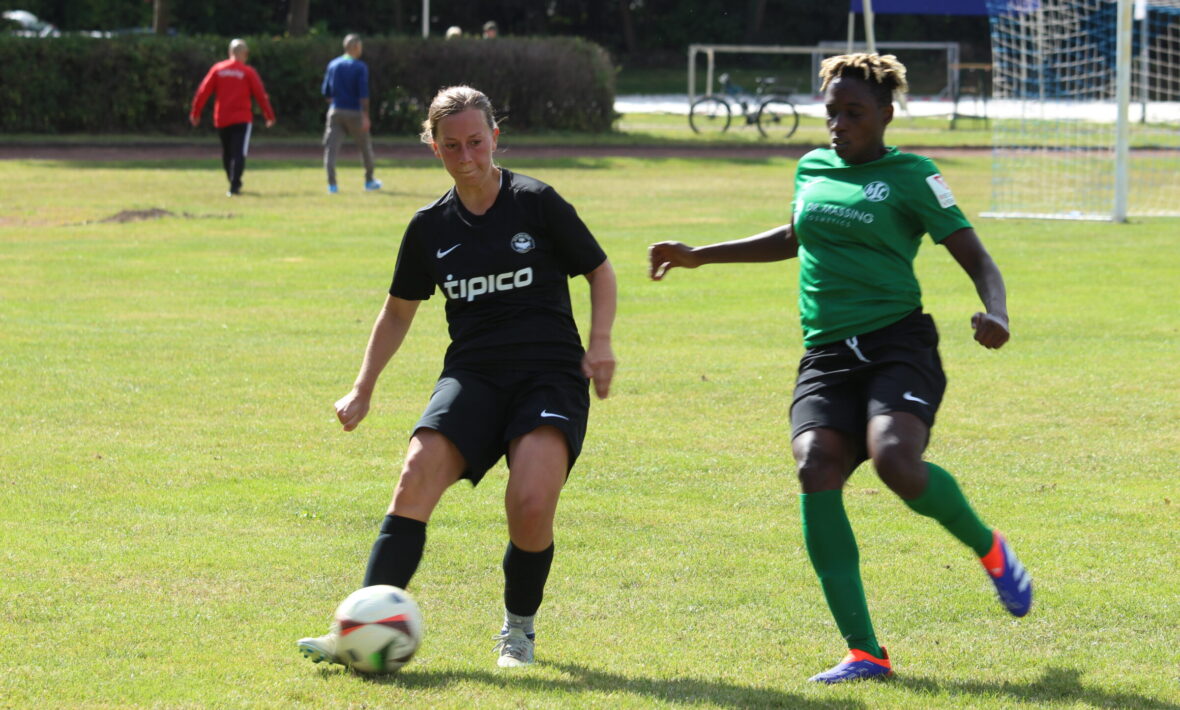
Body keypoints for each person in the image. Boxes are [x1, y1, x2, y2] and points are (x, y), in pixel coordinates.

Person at [648, 53, 1032, 684]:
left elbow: (978, 258)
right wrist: (700, 256)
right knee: (814, 464)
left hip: (897, 344)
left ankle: (991, 550)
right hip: (827, 354)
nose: (839, 124)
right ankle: (865, 652)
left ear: (885, 114)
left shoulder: (913, 175)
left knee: (895, 460)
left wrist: (998, 311)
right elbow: (795, 236)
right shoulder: (812, 167)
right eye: (832, 112)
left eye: (854, 113)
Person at [298, 85, 617, 669]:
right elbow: (398, 311)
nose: (466, 156)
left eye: (475, 142)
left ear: (494, 136)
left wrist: (600, 344)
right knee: (414, 475)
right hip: (474, 376)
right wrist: (363, 387)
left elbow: (599, 270)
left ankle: (518, 632)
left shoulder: (536, 202)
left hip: (549, 375)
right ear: (434, 147)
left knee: (530, 503)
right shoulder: (430, 227)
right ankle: (357, 631)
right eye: (451, 146)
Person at [189, 39, 276, 196]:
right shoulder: (247, 72)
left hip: (222, 118)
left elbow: (203, 91)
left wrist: (195, 113)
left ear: (230, 52)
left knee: (227, 152)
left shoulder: (218, 69)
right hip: (242, 119)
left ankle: (232, 180)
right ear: (244, 54)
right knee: (239, 152)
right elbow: (260, 95)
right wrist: (268, 115)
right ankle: (235, 185)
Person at [321, 34, 381, 194]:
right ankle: (369, 180)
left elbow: (326, 92)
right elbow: (363, 94)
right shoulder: (360, 67)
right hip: (355, 112)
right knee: (365, 147)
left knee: (331, 149)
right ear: (355, 47)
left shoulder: (333, 65)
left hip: (335, 111)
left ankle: (332, 185)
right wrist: (365, 115)